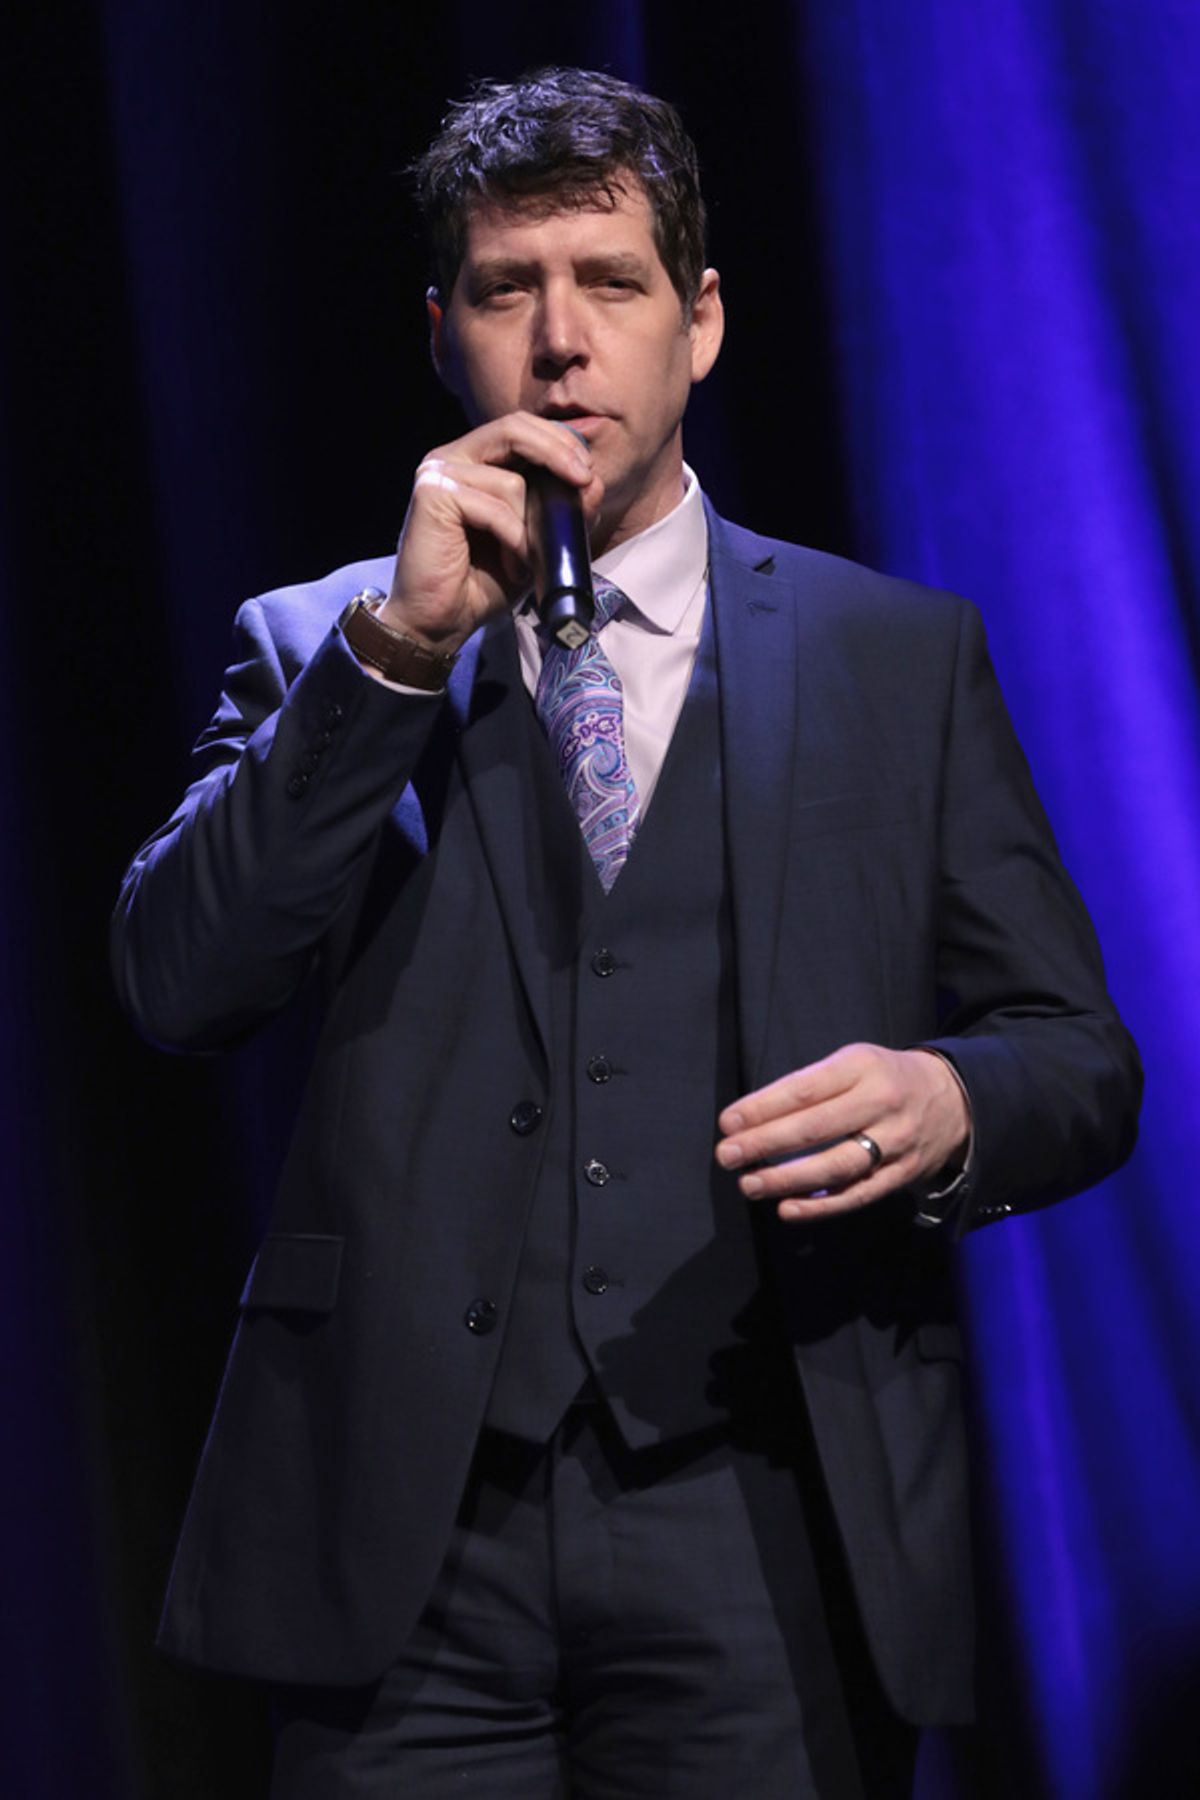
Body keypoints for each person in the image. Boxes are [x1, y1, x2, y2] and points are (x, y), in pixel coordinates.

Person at [112, 66, 1141, 1799]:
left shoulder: (896, 655)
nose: (562, 342)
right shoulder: (319, 650)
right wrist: (394, 658)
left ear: (705, 323)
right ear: (446, 335)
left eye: (611, 283)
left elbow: (1080, 1060)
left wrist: (958, 1104)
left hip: (764, 1521)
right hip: (407, 1541)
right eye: (510, 291)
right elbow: (178, 983)